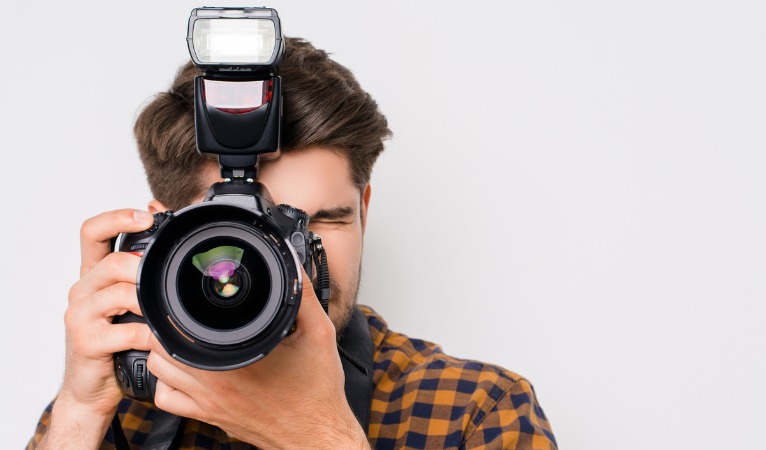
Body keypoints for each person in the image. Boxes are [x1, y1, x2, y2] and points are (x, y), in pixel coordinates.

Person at [28, 37, 557, 449]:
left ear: (363, 212)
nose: (294, 265)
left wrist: (319, 437)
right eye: (256, 234)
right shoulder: (118, 401)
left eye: (324, 222)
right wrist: (79, 412)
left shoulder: (474, 412)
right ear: (167, 238)